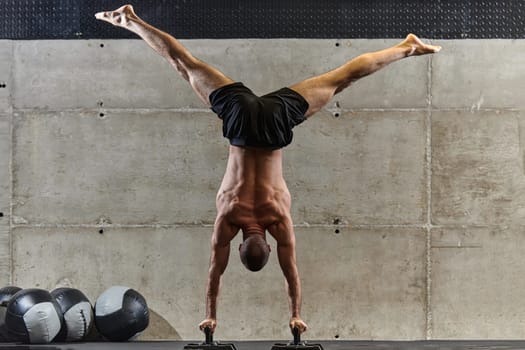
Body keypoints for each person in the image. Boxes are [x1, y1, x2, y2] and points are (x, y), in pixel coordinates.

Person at [95, 4, 441, 337]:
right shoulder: (228, 218)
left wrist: (296, 315)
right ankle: (131, 20)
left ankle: (406, 48)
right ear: (239, 243)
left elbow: (291, 275)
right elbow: (215, 272)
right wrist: (210, 314)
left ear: (269, 246)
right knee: (185, 64)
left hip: (275, 125)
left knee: (341, 80)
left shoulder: (278, 219)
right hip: (241, 124)